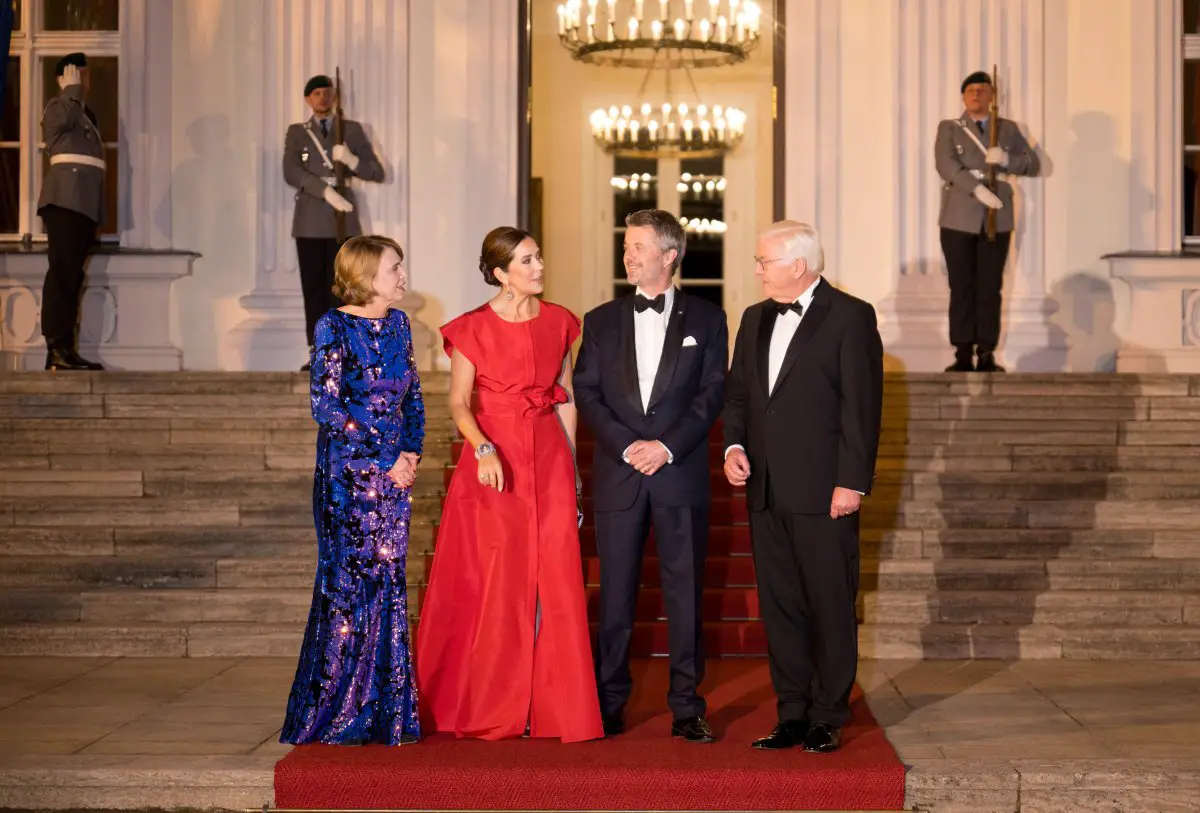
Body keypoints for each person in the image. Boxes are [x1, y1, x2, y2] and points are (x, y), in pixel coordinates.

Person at [416, 227, 603, 743]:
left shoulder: (562, 321)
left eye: (539, 256)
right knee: (498, 576)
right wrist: (481, 447)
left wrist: (572, 467)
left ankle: (555, 709)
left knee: (558, 576)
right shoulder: (472, 328)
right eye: (527, 260)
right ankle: (494, 702)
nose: (539, 267)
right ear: (500, 274)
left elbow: (564, 396)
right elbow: (458, 402)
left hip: (548, 456)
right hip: (494, 461)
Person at [723, 221, 883, 754]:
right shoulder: (753, 318)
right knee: (782, 607)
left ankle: (828, 714)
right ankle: (791, 711)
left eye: (764, 261)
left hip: (825, 493)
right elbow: (740, 396)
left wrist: (852, 483)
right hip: (765, 490)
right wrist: (733, 447)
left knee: (829, 604)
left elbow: (861, 409)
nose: (757, 270)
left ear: (798, 264)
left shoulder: (851, 317)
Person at [573, 209, 727, 743]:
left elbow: (711, 396)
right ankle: (609, 701)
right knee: (615, 595)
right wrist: (628, 447)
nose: (628, 255)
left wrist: (664, 447)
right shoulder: (600, 320)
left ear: (669, 255)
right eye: (626, 246)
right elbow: (586, 393)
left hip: (679, 474)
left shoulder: (708, 319)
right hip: (620, 476)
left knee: (684, 595)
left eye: (638, 246)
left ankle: (687, 706)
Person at [281, 235, 424, 746]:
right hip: (348, 479)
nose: (403, 276)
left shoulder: (401, 325)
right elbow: (326, 406)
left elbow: (413, 397)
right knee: (348, 589)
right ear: (365, 275)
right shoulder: (333, 325)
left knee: (388, 584)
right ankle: (336, 711)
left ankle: (384, 712)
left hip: (392, 480)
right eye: (394, 268)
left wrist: (411, 454)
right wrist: (385, 458)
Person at [936, 70, 1040, 372]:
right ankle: (962, 350)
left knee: (989, 286)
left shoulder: (1006, 129)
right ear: (963, 96)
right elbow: (945, 163)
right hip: (958, 216)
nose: (976, 94)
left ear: (992, 96)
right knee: (961, 286)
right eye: (970, 90)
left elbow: (1033, 164)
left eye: (982, 90)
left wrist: (1008, 161)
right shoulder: (951, 129)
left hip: (998, 217)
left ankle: (985, 350)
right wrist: (977, 189)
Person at [283, 74, 385, 371]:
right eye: (316, 94)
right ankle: (319, 351)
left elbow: (376, 172)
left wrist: (352, 161)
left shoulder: (350, 130)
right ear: (307, 100)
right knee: (314, 288)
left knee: (344, 287)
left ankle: (344, 350)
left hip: (344, 221)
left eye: (327, 93)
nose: (322, 98)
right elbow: (290, 172)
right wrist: (324, 190)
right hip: (311, 220)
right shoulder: (298, 133)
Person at [37, 52, 105, 371]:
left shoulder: (83, 113)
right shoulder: (58, 106)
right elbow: (57, 125)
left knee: (73, 277)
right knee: (63, 275)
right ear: (67, 76)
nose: (85, 80)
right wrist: (69, 93)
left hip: (81, 203)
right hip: (65, 200)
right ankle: (55, 349)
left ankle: (66, 347)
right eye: (80, 73)